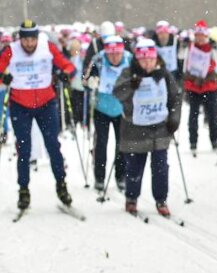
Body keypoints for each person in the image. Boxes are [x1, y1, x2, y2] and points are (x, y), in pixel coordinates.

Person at [0, 20, 76, 210]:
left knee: (53, 146)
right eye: (25, 40)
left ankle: (61, 185)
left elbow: (68, 66)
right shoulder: (11, 50)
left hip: (46, 104)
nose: (29, 44)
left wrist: (65, 74)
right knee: (24, 149)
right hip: (20, 105)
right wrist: (3, 77)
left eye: (32, 39)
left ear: (37, 37)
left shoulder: (47, 47)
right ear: (20, 38)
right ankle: (23, 189)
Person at [112, 38, 182, 217]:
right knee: (134, 166)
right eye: (143, 60)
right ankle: (131, 198)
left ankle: (161, 199)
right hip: (134, 129)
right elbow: (118, 93)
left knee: (160, 166)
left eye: (150, 60)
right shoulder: (129, 73)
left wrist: (174, 119)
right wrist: (130, 85)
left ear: (156, 59)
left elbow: (175, 98)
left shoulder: (164, 75)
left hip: (159, 129)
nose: (147, 64)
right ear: (137, 60)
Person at [84, 34, 130, 191]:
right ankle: (100, 177)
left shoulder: (130, 60)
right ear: (106, 53)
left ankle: (121, 176)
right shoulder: (98, 59)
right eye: (111, 54)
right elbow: (85, 79)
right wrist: (90, 81)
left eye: (118, 54)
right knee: (101, 144)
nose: (115, 58)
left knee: (122, 144)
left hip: (122, 109)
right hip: (101, 108)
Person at [183, 21, 217, 155]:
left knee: (212, 115)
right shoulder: (190, 47)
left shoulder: (211, 48)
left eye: (202, 36)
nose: (200, 38)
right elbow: (184, 65)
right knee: (193, 116)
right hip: (194, 87)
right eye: (197, 35)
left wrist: (209, 76)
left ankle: (214, 141)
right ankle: (193, 142)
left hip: (209, 86)